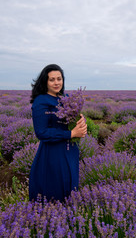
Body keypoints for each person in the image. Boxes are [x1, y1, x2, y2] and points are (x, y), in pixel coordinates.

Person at [29, 64, 87, 202]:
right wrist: (70, 134)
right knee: (54, 188)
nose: (56, 83)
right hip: (53, 153)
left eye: (59, 79)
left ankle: (68, 216)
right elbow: (41, 132)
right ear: (45, 82)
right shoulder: (41, 101)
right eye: (52, 79)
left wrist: (81, 121)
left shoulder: (65, 98)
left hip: (70, 150)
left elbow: (70, 120)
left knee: (70, 184)